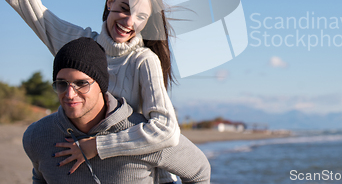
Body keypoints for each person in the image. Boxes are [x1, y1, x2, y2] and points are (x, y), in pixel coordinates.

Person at [5, 0, 201, 183]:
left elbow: (166, 130)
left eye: (141, 16)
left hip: (138, 172)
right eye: (123, 8)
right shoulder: (78, 46)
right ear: (110, 1)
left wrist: (96, 146)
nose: (128, 22)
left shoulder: (143, 60)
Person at [23, 37, 210, 184]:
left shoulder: (144, 135)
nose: (70, 94)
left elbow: (199, 171)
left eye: (81, 84)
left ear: (102, 86)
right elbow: (40, 178)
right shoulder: (37, 136)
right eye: (62, 84)